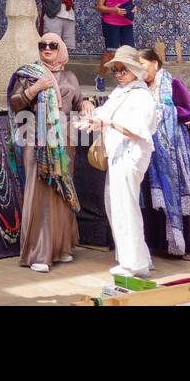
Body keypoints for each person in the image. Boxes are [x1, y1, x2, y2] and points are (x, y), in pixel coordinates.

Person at [7, 34, 93, 272]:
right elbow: (15, 104)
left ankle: (61, 247)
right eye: (42, 45)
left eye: (52, 45)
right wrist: (35, 88)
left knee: (61, 191)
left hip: (64, 140)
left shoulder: (70, 77)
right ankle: (39, 253)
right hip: (36, 139)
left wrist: (86, 103)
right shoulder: (28, 74)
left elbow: (77, 103)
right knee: (40, 191)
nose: (47, 48)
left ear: (61, 50)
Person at [75, 46, 160, 278]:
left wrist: (108, 124)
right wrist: (93, 121)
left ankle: (134, 264)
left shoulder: (141, 96)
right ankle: (136, 258)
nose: (120, 74)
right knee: (117, 205)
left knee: (125, 207)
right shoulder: (122, 92)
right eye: (117, 70)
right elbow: (105, 113)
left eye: (124, 70)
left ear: (135, 70)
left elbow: (136, 130)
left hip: (131, 156)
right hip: (118, 156)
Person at [138, 47, 190, 261]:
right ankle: (161, 245)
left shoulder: (173, 84)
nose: (140, 70)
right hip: (152, 150)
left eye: (143, 65)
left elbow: (188, 111)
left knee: (178, 192)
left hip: (174, 150)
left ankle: (188, 245)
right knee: (155, 196)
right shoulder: (139, 89)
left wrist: (163, 111)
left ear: (155, 63)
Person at [95, 0, 137, 68]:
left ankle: (126, 80)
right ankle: (100, 77)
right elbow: (99, 7)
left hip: (126, 23)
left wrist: (134, 8)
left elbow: (130, 2)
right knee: (111, 53)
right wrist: (114, 10)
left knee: (129, 53)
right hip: (111, 24)